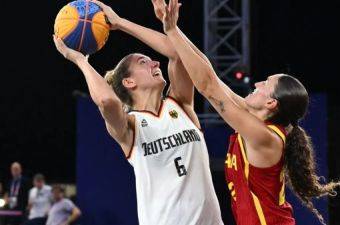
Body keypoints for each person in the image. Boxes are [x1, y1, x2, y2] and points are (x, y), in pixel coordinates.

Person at [161, 0, 340, 224]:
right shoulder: (255, 124)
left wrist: (171, 31)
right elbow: (211, 76)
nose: (256, 84)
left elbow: (208, 87)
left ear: (271, 104)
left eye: (265, 84)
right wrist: (173, 29)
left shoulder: (264, 136)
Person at [52, 1, 224, 224]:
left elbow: (178, 54)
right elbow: (106, 100)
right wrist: (80, 61)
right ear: (129, 81)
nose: (155, 62)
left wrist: (121, 23)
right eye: (144, 62)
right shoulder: (130, 127)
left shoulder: (180, 105)